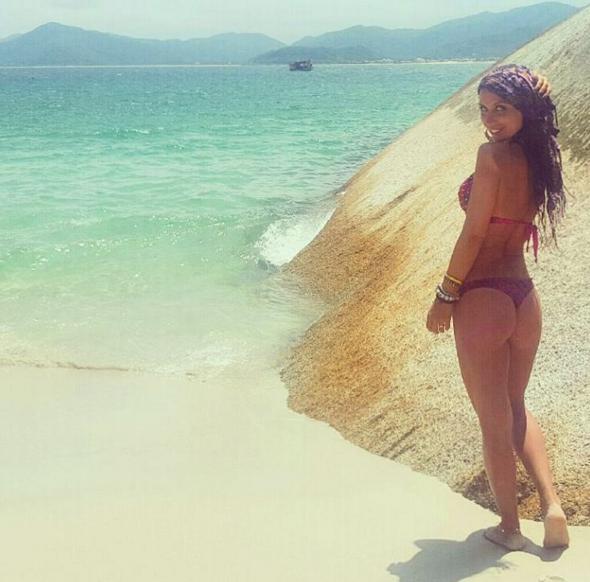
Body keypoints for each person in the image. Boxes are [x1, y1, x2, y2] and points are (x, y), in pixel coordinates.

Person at [426, 64, 569, 551]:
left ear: (523, 109)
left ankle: (510, 528)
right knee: (515, 406)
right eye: (484, 109)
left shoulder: (491, 156)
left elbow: (473, 233)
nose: (490, 120)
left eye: (501, 108)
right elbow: (540, 109)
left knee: (493, 420)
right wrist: (536, 84)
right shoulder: (540, 156)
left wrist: (446, 295)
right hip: (523, 297)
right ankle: (551, 505)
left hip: (483, 295)